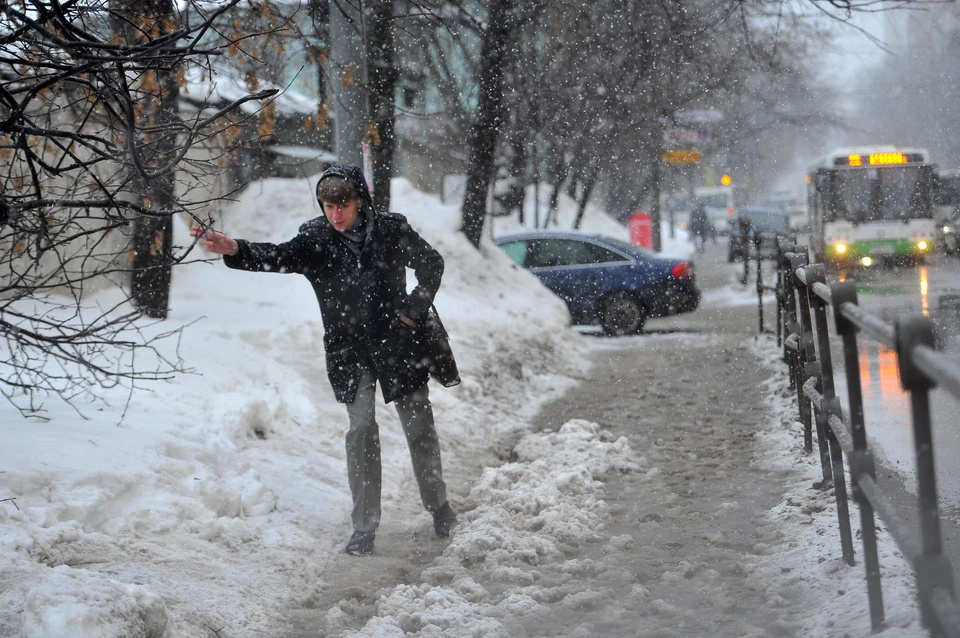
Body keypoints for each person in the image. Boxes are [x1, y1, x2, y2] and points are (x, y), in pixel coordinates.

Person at [190, 164, 458, 556]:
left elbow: (432, 264)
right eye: (327, 205)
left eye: (342, 205)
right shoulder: (316, 238)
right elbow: (278, 256)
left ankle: (440, 507)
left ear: (360, 200)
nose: (335, 214)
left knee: (419, 424)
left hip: (398, 343)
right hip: (349, 350)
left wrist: (412, 311)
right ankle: (364, 527)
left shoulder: (391, 230)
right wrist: (235, 248)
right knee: (361, 429)